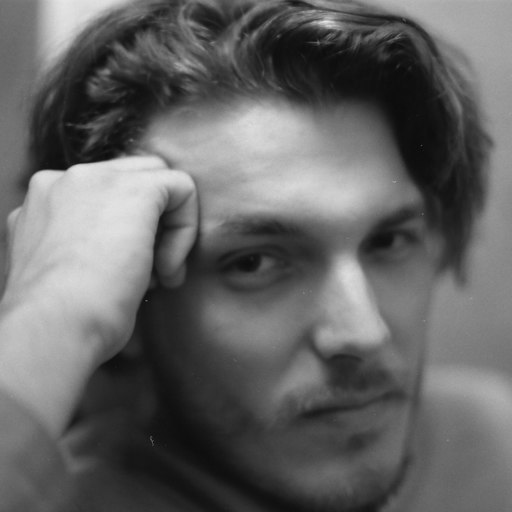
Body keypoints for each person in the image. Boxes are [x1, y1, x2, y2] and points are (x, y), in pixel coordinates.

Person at [1, 0, 511, 510]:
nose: (364, 333)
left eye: (388, 241)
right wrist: (56, 311)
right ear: (132, 300)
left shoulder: (489, 439)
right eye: (255, 263)